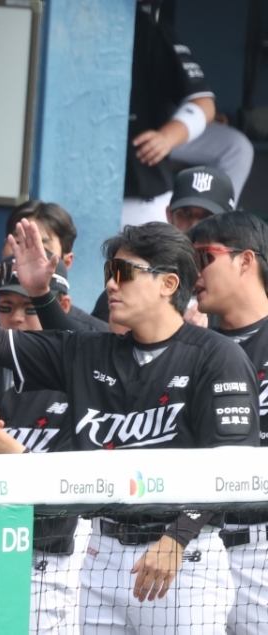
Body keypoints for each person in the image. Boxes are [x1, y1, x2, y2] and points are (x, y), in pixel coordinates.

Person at [0, 219, 259, 635]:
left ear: (168, 283)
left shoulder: (216, 356)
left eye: (124, 272)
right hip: (101, 553)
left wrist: (178, 537)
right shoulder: (90, 351)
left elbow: (232, 466)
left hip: (184, 559)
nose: (111, 284)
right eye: (110, 271)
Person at [0, 260, 83, 635]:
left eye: (30, 308)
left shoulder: (81, 378)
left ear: (60, 306)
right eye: (6, 307)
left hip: (45, 558)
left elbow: (64, 493)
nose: (16, 319)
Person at [186, 212, 268, 634]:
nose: (193, 273)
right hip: (191, 541)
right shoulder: (192, 347)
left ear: (245, 260)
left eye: (203, 257)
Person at [121, 0, 252, 226]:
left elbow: (203, 103)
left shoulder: (148, 29)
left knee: (236, 147)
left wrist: (168, 137)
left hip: (147, 143)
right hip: (111, 161)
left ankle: (217, 224)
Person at [93, 166, 235, 324]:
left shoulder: (237, 296)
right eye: (186, 213)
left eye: (208, 217)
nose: (195, 225)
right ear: (169, 215)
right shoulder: (128, 285)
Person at [0, 200, 107, 331]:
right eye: (18, 242)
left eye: (41, 247)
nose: (27, 254)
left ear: (66, 262)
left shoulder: (94, 335)